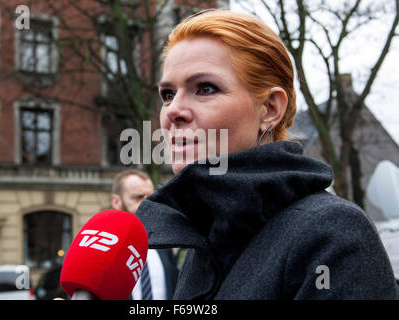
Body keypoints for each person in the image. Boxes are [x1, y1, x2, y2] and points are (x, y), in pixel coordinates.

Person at [136, 9, 399, 299]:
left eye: (205, 88)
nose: (172, 110)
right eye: (168, 94)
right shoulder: (205, 243)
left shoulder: (331, 233)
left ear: (271, 108)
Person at [110, 169, 178, 300]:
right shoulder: (101, 251)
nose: (147, 204)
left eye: (151, 197)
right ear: (116, 202)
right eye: (138, 197)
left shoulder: (163, 246)